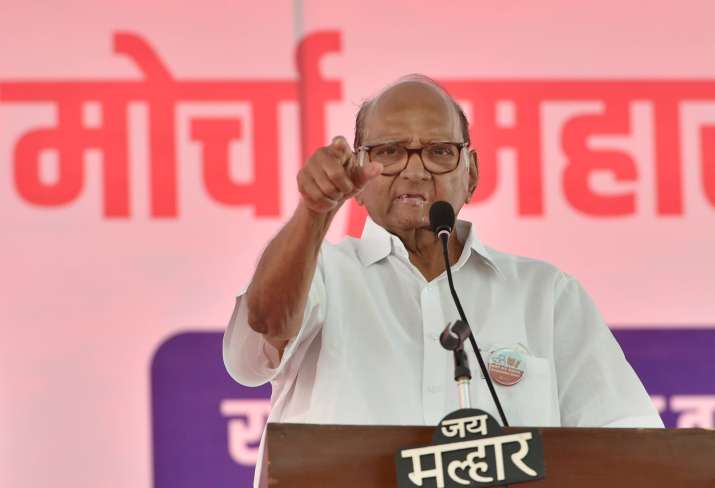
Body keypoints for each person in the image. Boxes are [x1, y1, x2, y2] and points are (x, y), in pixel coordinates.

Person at [222, 74, 663, 487]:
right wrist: (314, 213)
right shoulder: (320, 275)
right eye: (390, 151)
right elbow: (263, 332)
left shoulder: (545, 295)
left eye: (439, 151)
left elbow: (631, 443)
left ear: (471, 171)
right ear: (356, 172)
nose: (415, 171)